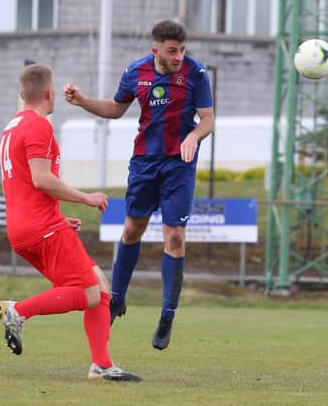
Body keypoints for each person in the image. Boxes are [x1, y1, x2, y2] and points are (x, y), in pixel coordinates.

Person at [63, 20, 215, 350]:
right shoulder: (137, 71)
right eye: (172, 51)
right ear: (156, 50)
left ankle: (167, 314)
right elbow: (116, 109)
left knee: (174, 235)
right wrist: (84, 101)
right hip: (145, 164)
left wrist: (193, 136)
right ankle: (117, 299)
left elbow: (208, 119)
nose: (178, 56)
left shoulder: (196, 73)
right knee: (132, 230)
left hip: (179, 165)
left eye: (182, 50)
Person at [0, 63, 140, 381]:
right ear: (49, 93)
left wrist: (58, 217)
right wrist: (86, 198)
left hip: (27, 227)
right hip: (40, 226)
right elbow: (41, 179)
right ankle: (19, 311)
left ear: (23, 93)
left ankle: (101, 364)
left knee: (98, 283)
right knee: (90, 293)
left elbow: (24, 183)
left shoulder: (11, 126)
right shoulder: (38, 126)